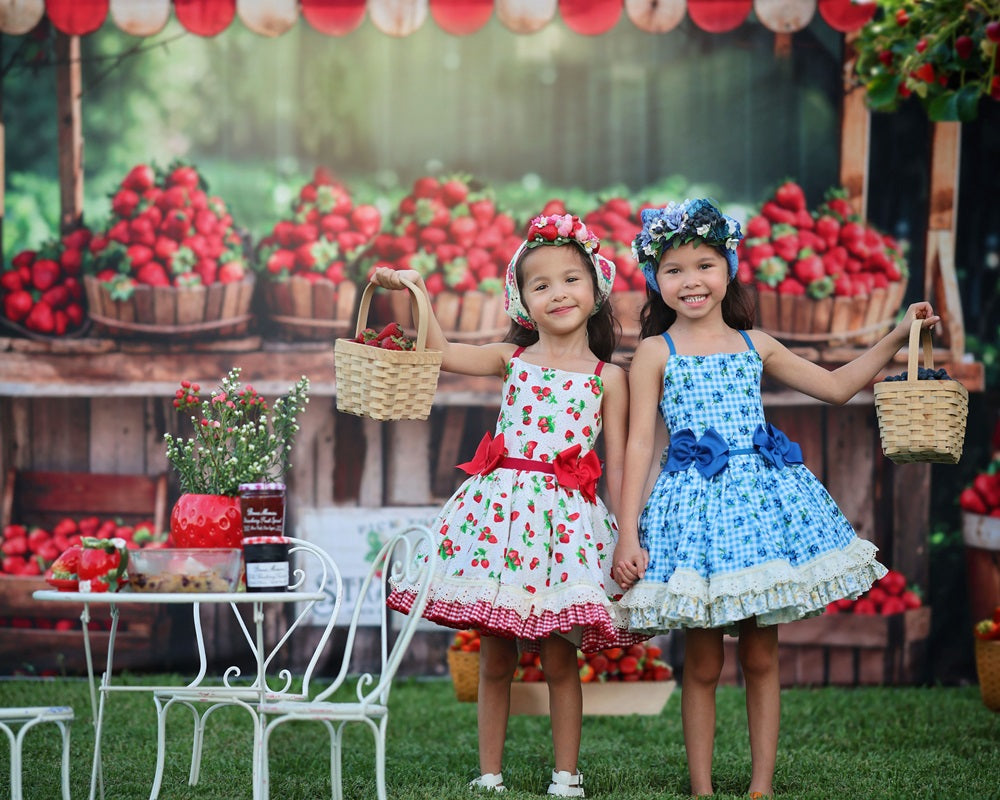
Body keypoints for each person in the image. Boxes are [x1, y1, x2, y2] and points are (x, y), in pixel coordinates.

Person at [610, 198, 940, 799]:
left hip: (759, 511)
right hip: (696, 515)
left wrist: (899, 332)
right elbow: (637, 444)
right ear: (655, 278)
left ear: (729, 267)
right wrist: (627, 532)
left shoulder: (754, 343)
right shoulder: (656, 352)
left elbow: (838, 387)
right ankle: (703, 788)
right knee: (703, 662)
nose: (691, 281)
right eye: (675, 269)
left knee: (761, 656)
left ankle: (762, 786)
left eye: (705, 264)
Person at [378, 213, 644, 798]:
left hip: (565, 526)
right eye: (540, 284)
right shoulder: (510, 359)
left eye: (570, 279)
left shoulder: (609, 378)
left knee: (558, 659)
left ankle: (566, 776)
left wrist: (627, 533)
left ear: (596, 288)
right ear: (521, 299)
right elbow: (441, 351)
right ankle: (490, 773)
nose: (558, 293)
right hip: (500, 521)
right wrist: (416, 289)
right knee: (495, 655)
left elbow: (621, 464)